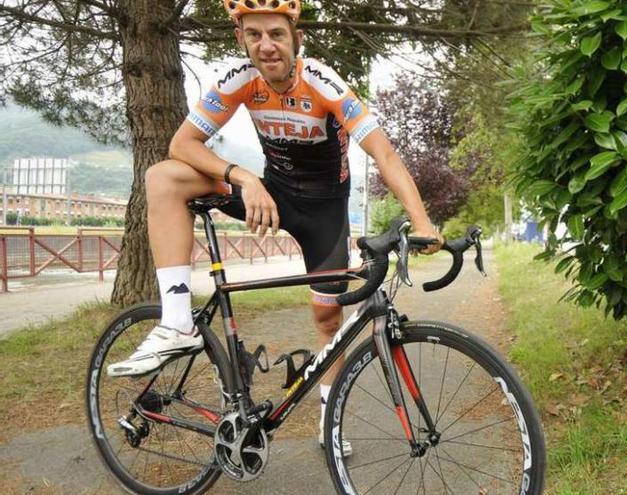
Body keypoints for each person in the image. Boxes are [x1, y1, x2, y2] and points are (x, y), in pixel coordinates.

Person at [107, 0, 442, 454]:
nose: (266, 46)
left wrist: (421, 221)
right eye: (254, 35)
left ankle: (330, 419)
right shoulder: (239, 81)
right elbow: (181, 143)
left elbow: (382, 153)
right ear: (241, 40)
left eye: (276, 35)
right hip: (273, 196)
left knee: (328, 317)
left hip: (325, 210)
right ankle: (178, 321)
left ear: (295, 39)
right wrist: (243, 178)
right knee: (161, 176)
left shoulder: (322, 82)